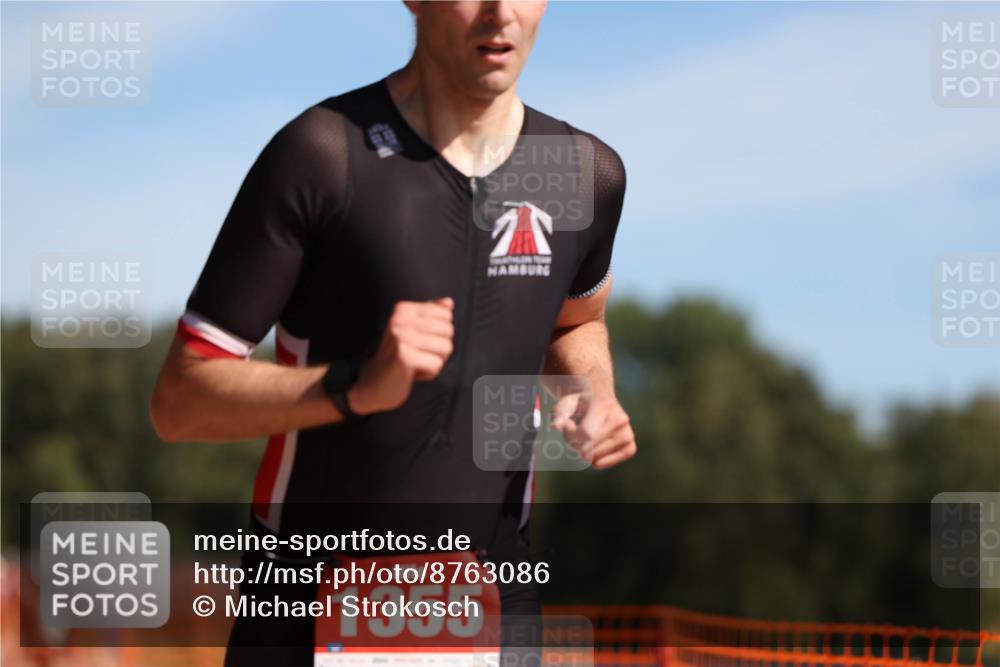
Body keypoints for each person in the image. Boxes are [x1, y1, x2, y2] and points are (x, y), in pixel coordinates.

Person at [150, 1, 636, 664]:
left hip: (494, 596)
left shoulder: (585, 173)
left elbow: (577, 320)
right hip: (308, 603)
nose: (500, 13)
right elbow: (180, 400)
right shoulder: (323, 153)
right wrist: (354, 386)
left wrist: (593, 390)